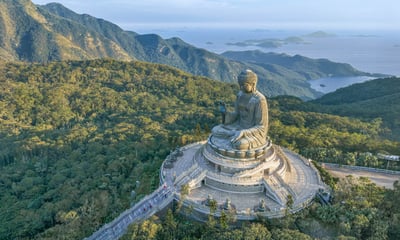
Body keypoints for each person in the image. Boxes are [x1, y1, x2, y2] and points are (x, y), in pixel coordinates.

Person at [211, 69, 268, 150]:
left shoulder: (259, 99)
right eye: (240, 85)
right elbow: (236, 115)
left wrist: (244, 132)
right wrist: (225, 113)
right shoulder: (240, 95)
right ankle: (232, 134)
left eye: (244, 85)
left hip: (252, 133)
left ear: (253, 84)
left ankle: (233, 136)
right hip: (237, 127)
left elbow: (261, 127)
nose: (241, 87)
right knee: (215, 130)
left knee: (240, 144)